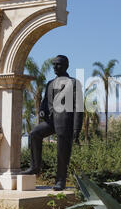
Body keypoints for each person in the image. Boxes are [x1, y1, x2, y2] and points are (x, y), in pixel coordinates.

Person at [21, 55, 83, 191]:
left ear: (66, 66)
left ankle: (60, 180)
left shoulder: (73, 83)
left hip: (65, 122)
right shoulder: (49, 83)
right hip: (50, 121)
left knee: (62, 151)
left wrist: (76, 130)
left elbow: (79, 108)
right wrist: (42, 111)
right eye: (54, 64)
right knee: (34, 134)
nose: (55, 67)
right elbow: (44, 102)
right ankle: (35, 167)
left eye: (58, 64)